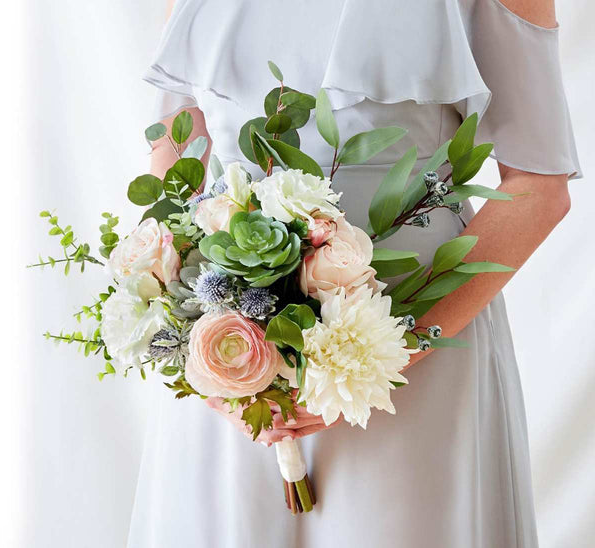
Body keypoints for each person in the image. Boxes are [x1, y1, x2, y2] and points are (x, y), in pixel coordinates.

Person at [129, 1, 581, 546]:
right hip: (232, 362)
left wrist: (371, 362)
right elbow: (176, 157)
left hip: (412, 355)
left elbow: (537, 186)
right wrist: (196, 356)